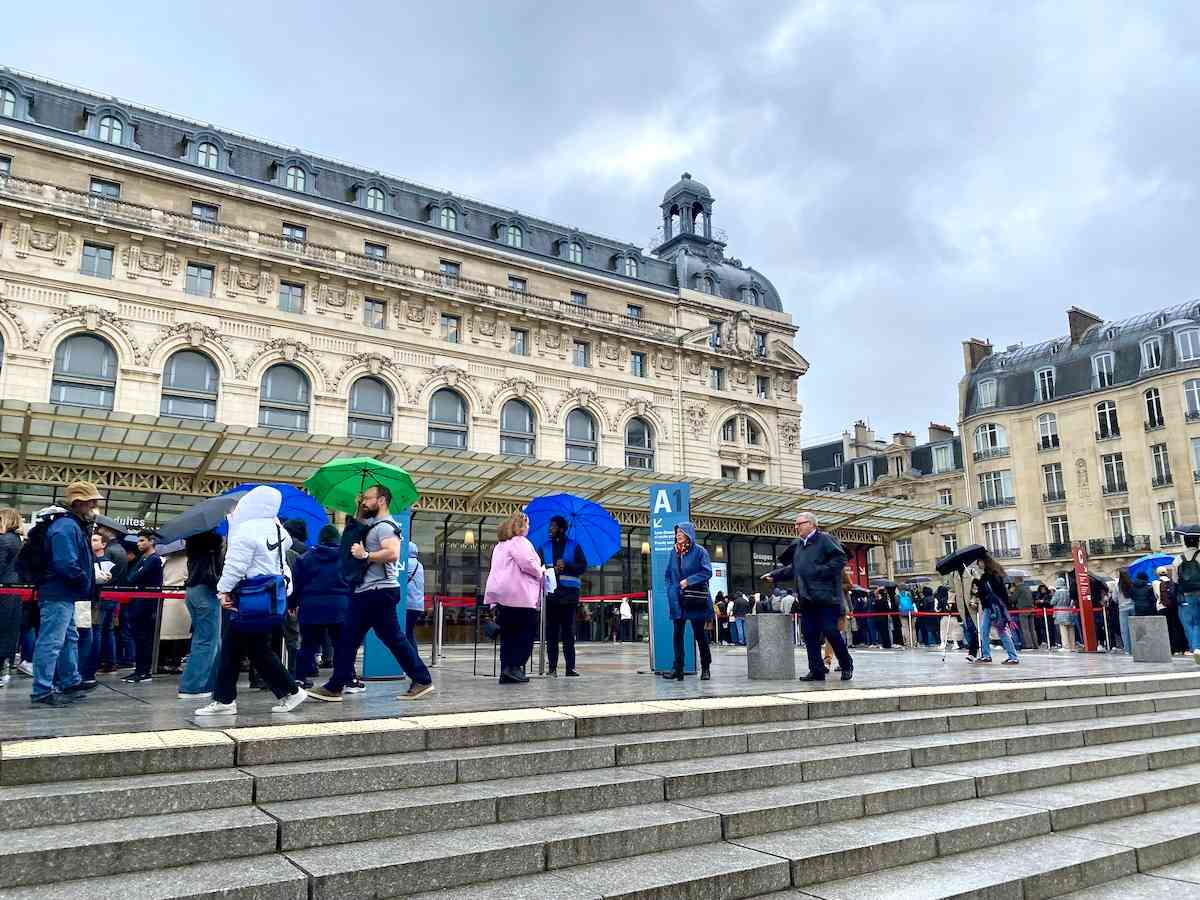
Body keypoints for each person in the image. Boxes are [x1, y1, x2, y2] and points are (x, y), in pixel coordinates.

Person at [309, 484, 434, 702]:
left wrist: (364, 554)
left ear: (382, 500)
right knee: (354, 639)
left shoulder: (385, 526)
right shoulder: (374, 525)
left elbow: (393, 553)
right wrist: (359, 510)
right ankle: (336, 685)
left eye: (368, 498)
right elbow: (357, 527)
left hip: (377, 592)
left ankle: (421, 679)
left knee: (385, 638)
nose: (364, 502)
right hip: (370, 591)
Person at [197, 485, 306, 715]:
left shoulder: (246, 530)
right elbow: (280, 564)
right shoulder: (278, 530)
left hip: (247, 596)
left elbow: (235, 566)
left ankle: (290, 691)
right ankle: (225, 698)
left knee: (253, 649)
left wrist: (223, 591)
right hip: (267, 597)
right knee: (240, 647)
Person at [30, 482, 102, 707]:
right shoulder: (67, 526)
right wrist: (82, 579)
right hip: (59, 592)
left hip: (62, 592)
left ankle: (70, 681)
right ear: (78, 503)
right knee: (52, 641)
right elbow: (65, 562)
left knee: (68, 637)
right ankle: (42, 690)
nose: (94, 505)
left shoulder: (68, 524)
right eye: (91, 501)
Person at [764, 512, 853, 682]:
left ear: (812, 524)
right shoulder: (799, 545)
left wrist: (820, 572)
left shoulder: (825, 539)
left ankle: (846, 664)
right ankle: (817, 670)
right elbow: (794, 569)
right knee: (809, 634)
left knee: (830, 631)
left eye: (800, 523)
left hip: (826, 597)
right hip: (807, 598)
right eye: (795, 524)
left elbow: (840, 558)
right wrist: (774, 575)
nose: (796, 527)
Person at [484, 512, 544, 684]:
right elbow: (528, 564)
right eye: (527, 524)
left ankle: (506, 670)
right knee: (524, 634)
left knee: (508, 635)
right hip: (521, 596)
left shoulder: (500, 546)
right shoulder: (520, 542)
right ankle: (515, 667)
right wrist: (541, 571)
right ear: (521, 525)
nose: (529, 527)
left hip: (503, 596)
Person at [291, 524, 351, 685]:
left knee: (308, 645)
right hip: (339, 607)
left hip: (311, 607)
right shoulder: (345, 557)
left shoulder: (304, 558)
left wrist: (292, 604)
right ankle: (348, 679)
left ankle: (299, 678)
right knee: (342, 645)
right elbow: (353, 582)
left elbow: (297, 585)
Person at [662, 522, 713, 681]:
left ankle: (705, 667)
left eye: (681, 532)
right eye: (677, 532)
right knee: (677, 634)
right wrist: (670, 589)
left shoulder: (700, 551)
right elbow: (668, 573)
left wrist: (688, 581)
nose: (678, 535)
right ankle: (678, 668)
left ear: (689, 534)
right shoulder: (674, 552)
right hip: (678, 600)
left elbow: (707, 572)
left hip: (695, 599)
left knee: (700, 634)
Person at [177, 528, 224, 699]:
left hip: (193, 591)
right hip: (207, 592)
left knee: (210, 639)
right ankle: (194, 686)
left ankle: (210, 683)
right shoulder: (212, 544)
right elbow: (215, 572)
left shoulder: (193, 542)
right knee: (206, 641)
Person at [540, 515, 587, 677]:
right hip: (551, 596)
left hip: (569, 597)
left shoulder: (574, 546)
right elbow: (538, 568)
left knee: (568, 633)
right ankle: (552, 668)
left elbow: (582, 567)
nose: (549, 529)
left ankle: (570, 668)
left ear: (561, 529)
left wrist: (567, 565)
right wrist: (549, 568)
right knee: (551, 634)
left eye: (552, 526)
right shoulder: (544, 547)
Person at [122, 531, 163, 684]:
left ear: (151, 541)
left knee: (144, 637)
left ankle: (143, 671)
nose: (138, 544)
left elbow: (133, 577)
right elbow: (131, 576)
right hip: (138, 601)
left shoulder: (154, 560)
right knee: (139, 637)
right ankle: (139, 670)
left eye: (142, 540)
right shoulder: (143, 559)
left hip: (147, 604)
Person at [972, 554, 1019, 665]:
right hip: (992, 607)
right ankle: (986, 655)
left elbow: (988, 592)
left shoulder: (990, 576)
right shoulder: (992, 575)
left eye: (979, 561)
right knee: (985, 631)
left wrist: (978, 584)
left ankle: (1012, 656)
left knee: (1000, 631)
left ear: (984, 562)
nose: (978, 564)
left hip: (994, 608)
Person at [0, 508, 23, 685]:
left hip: (3, 590)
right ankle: (4, 666)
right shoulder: (16, 539)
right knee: (8, 630)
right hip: (14, 590)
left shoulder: (3, 540)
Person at [1174, 535, 1200, 664]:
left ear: (1185, 543)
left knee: (1193, 623)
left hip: (1187, 594)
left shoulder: (1178, 559)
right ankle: (1197, 648)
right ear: (1198, 541)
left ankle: (1195, 648)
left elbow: (1175, 580)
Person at [404, 541, 424, 659]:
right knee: (409, 633)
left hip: (408, 604)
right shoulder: (419, 564)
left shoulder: (406, 563)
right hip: (417, 605)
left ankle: (412, 660)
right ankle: (414, 659)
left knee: (406, 633)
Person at [1052, 574, 1075, 651]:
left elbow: (1053, 602)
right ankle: (1072, 646)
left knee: (1063, 629)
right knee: (1071, 629)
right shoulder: (1068, 591)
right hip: (1069, 610)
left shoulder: (1057, 592)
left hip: (1060, 611)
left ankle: (1066, 646)